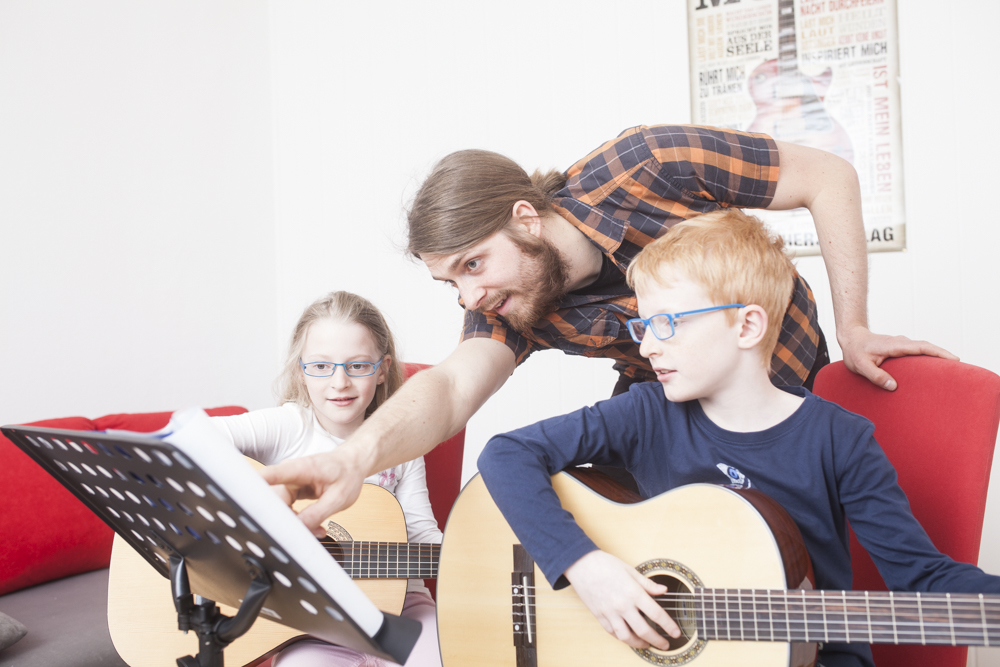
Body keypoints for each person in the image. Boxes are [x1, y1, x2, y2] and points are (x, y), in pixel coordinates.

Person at [261, 124, 955, 530]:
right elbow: (447, 389)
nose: (471, 295)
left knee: (775, 556)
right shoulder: (510, 301)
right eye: (452, 281)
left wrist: (854, 324)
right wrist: (353, 460)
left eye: (475, 263)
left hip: (775, 383)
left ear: (525, 218)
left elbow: (826, 176)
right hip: (667, 410)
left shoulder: (645, 164)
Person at [475, 209, 1000, 667]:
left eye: (668, 324)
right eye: (644, 326)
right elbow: (507, 453)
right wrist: (585, 567)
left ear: (747, 327)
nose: (649, 347)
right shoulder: (645, 412)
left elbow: (922, 578)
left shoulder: (841, 439)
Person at [212, 291, 442, 667]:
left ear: (382, 369)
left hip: (404, 607)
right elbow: (191, 444)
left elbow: (420, 535)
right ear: (300, 370)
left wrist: (474, 550)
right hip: (311, 623)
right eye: (320, 367)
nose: (339, 383)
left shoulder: (402, 446)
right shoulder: (290, 426)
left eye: (357, 366)